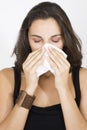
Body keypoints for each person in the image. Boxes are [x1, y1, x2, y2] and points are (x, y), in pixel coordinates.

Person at [0, 1, 87, 130]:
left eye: (55, 40)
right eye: (37, 40)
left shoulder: (83, 78)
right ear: (27, 40)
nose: (46, 48)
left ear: (65, 39)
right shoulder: (7, 78)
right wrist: (29, 89)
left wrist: (63, 88)